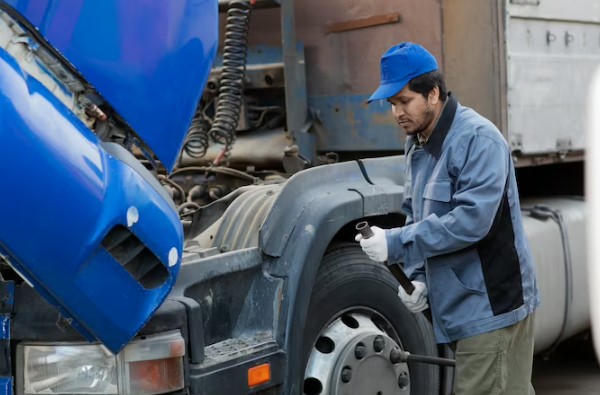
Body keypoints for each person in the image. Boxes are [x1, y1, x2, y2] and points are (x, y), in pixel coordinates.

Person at [355, 42, 540, 395]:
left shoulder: (478, 139)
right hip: (462, 309)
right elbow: (417, 215)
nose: (397, 113)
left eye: (404, 101)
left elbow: (471, 220)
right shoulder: (418, 143)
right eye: (392, 104)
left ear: (433, 93)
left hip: (490, 307)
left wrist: (394, 244)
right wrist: (420, 277)